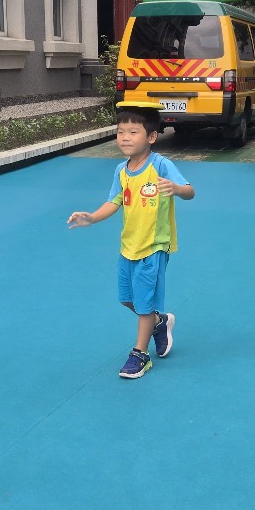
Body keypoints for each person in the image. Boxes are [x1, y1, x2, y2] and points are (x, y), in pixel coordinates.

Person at [67, 101, 195, 379]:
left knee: (144, 304)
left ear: (152, 136)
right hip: (129, 246)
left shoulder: (161, 165)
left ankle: (140, 354)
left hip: (154, 246)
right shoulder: (121, 170)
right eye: (120, 131)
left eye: (133, 132)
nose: (125, 137)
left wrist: (176, 188)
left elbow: (190, 191)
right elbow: (114, 201)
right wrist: (91, 217)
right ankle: (160, 322)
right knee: (127, 299)